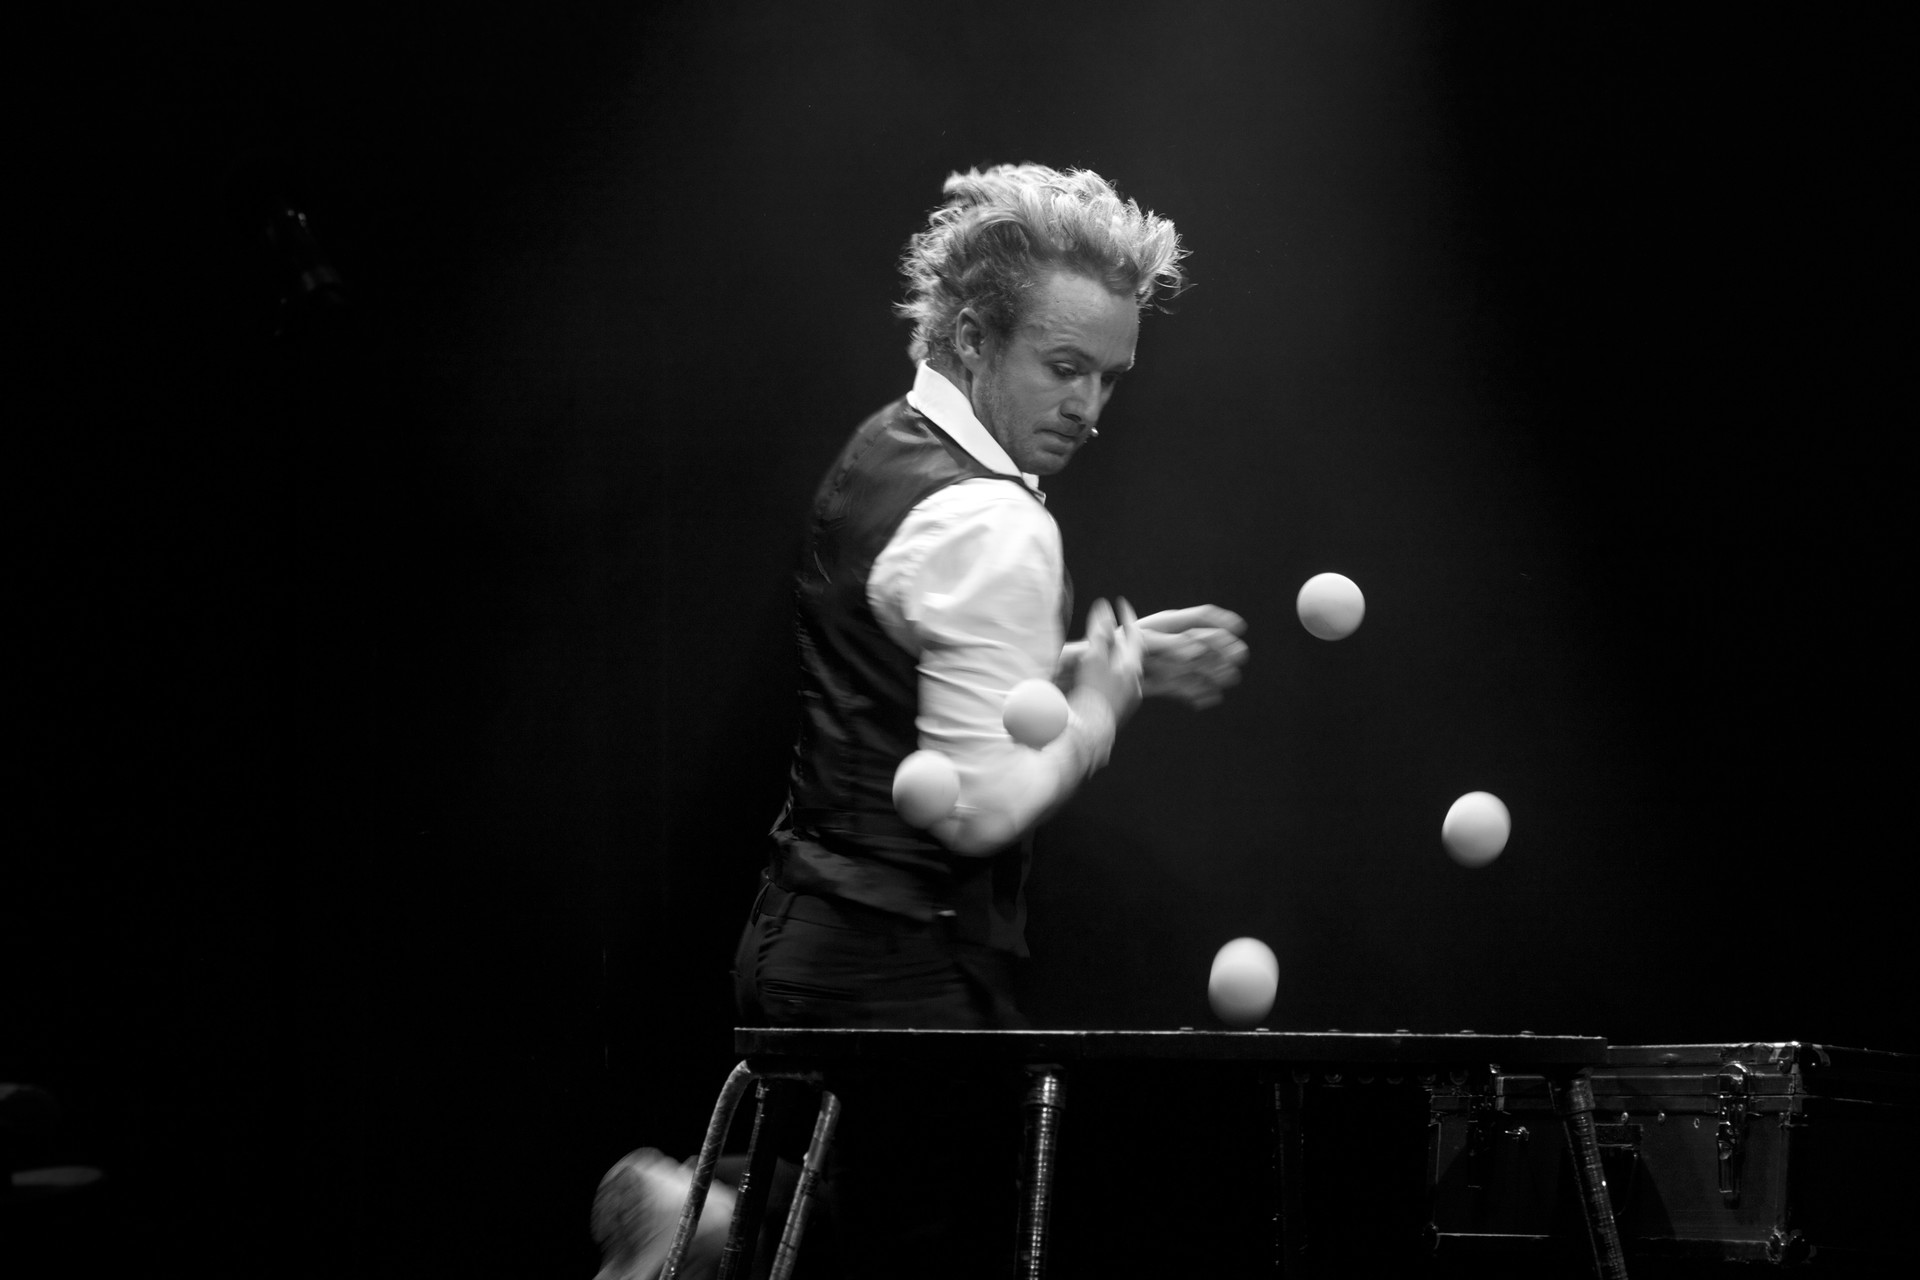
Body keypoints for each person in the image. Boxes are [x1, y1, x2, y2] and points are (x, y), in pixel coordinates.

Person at [595, 163, 1248, 1280]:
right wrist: (1102, 706)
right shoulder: (996, 520)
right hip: (896, 967)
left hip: (802, 936)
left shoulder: (887, 446)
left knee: (865, 1227)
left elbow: (922, 669)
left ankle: (714, 1220)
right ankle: (718, 1223)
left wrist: (1103, 659)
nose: (1090, 408)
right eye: (1065, 368)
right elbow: (982, 805)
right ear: (973, 337)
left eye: (1109, 377)